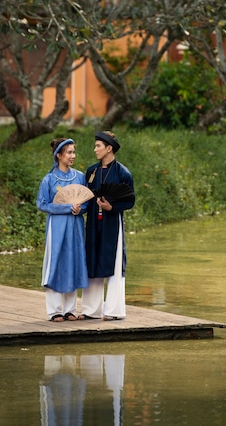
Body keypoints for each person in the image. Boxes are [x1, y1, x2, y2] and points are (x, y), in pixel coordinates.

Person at [80, 131, 135, 321]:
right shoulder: (91, 172)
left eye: (98, 146)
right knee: (92, 260)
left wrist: (112, 207)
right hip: (94, 221)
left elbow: (130, 201)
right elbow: (85, 196)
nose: (94, 149)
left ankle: (114, 310)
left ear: (109, 148)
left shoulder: (123, 173)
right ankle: (90, 310)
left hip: (112, 222)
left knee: (114, 261)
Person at [37, 137, 89, 322]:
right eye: (69, 152)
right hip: (57, 226)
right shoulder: (49, 179)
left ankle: (70, 309)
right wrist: (66, 207)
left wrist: (79, 209)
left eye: (74, 152)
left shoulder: (80, 177)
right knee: (56, 262)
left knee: (73, 261)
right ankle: (54, 310)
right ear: (58, 155)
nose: (72, 156)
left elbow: (86, 203)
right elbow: (42, 204)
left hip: (75, 226)